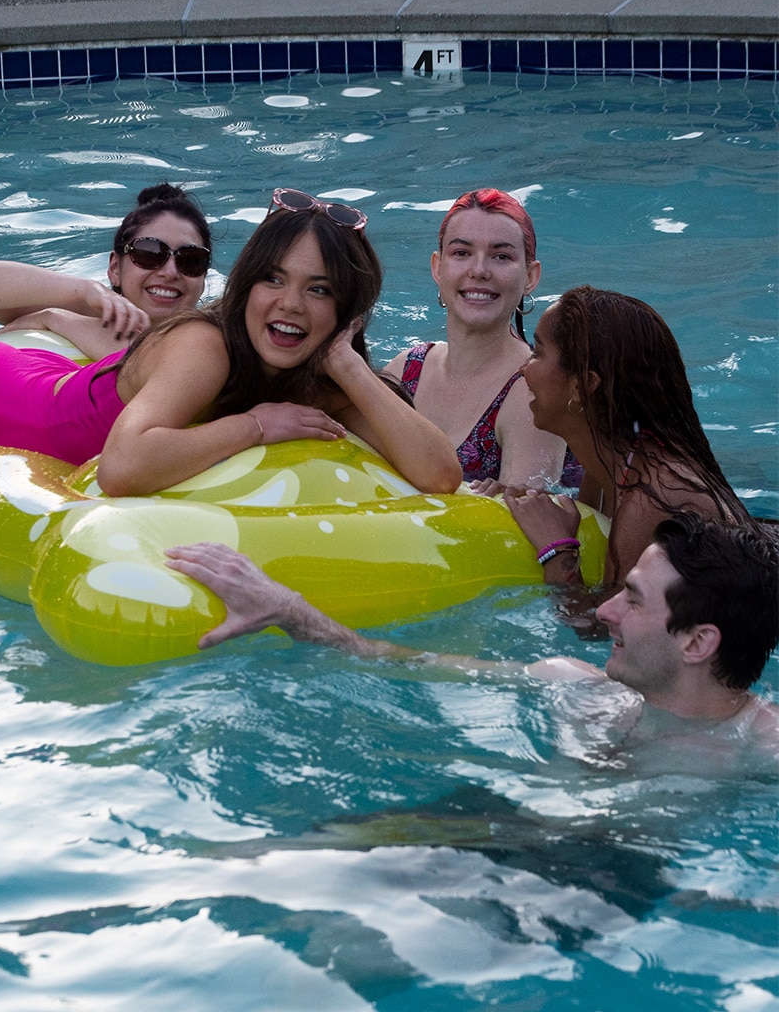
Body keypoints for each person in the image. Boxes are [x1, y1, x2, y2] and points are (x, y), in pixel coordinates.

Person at [0, 189, 462, 498]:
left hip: (60, 383)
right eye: (273, 278)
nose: (290, 303)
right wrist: (256, 427)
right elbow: (125, 467)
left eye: (319, 290)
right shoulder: (206, 346)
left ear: (345, 310)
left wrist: (348, 365)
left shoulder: (317, 370)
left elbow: (439, 474)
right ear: (245, 283)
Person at [164, 513, 779, 744]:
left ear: (698, 642)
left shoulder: (764, 745)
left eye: (634, 600)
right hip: (507, 843)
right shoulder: (578, 685)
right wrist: (290, 610)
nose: (606, 612)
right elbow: (392, 661)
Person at [503, 285, 752, 587]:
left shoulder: (651, 501)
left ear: (582, 386)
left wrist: (556, 549)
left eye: (537, 353)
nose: (522, 369)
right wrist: (505, 502)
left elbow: (605, 628)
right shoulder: (609, 464)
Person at [382, 188, 573, 489]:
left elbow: (527, 524)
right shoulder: (405, 370)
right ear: (437, 267)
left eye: (501, 256)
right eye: (461, 253)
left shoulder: (536, 392)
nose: (479, 270)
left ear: (530, 277)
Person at [0, 182, 213, 361]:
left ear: (203, 278)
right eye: (149, 253)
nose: (170, 272)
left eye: (191, 259)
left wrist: (52, 319)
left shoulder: (214, 334)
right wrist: (84, 291)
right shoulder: (87, 309)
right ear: (115, 268)